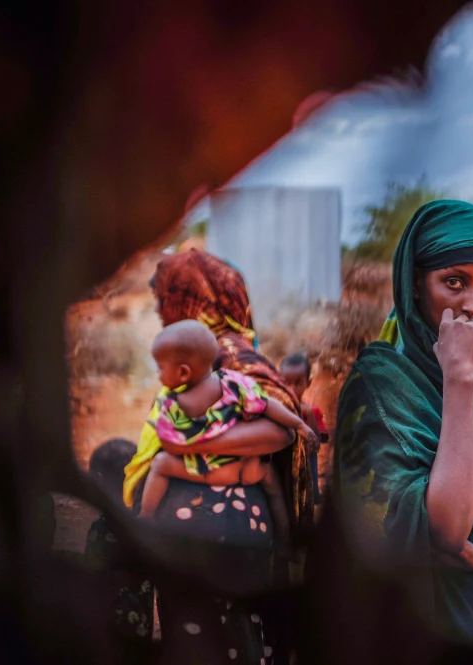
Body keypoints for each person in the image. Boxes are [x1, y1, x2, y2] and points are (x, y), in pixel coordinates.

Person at [333, 200, 473, 654]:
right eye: (453, 282)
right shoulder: (377, 386)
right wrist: (457, 378)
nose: (472, 306)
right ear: (416, 284)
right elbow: (445, 529)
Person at [122, 249, 314, 664]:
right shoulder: (252, 357)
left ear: (185, 300)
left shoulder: (206, 359)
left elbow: (275, 431)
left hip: (203, 522)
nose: (160, 311)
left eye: (165, 300)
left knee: (119, 532)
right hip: (264, 528)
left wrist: (196, 447)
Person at [138, 320, 318, 564]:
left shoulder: (173, 403)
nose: (158, 375)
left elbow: (169, 442)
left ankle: (146, 517)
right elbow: (267, 405)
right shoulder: (233, 383)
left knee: (160, 464)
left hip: (205, 471)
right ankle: (285, 539)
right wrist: (298, 424)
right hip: (245, 470)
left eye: (160, 368)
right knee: (273, 487)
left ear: (183, 372)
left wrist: (198, 442)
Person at [83, 439, 155, 642]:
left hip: (111, 636)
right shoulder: (147, 525)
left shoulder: (103, 528)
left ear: (100, 480)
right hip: (139, 632)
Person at [280, 351, 328, 504]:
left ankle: (313, 496)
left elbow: (317, 443)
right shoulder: (279, 410)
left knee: (308, 494)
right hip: (286, 462)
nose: (292, 389)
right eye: (287, 383)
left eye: (298, 383)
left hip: (307, 461)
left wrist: (309, 417)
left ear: (309, 382)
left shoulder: (312, 411)